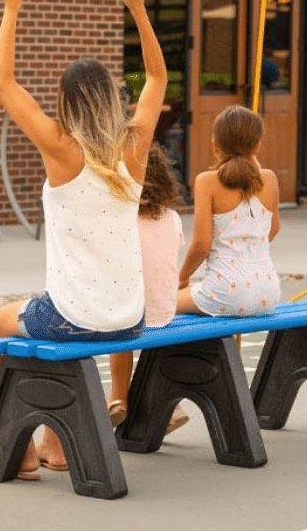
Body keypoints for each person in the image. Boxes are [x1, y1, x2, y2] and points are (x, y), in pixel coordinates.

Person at [0, 0, 167, 477]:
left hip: (74, 316)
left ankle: (23, 449)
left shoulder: (60, 146)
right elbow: (158, 78)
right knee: (68, 320)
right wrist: (139, 11)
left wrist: (12, 6)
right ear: (109, 98)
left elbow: (4, 83)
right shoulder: (134, 145)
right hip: (128, 317)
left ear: (67, 102)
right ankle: (56, 446)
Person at [104, 142, 188, 434]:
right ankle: (170, 405)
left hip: (132, 313)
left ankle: (118, 398)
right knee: (144, 323)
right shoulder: (172, 217)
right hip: (165, 309)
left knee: (121, 324)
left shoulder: (121, 219)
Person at [177, 105, 281, 317]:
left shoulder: (207, 182)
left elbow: (201, 245)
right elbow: (272, 230)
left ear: (215, 146)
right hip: (268, 292)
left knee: (157, 306)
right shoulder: (269, 179)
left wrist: (182, 278)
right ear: (258, 147)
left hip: (225, 290)